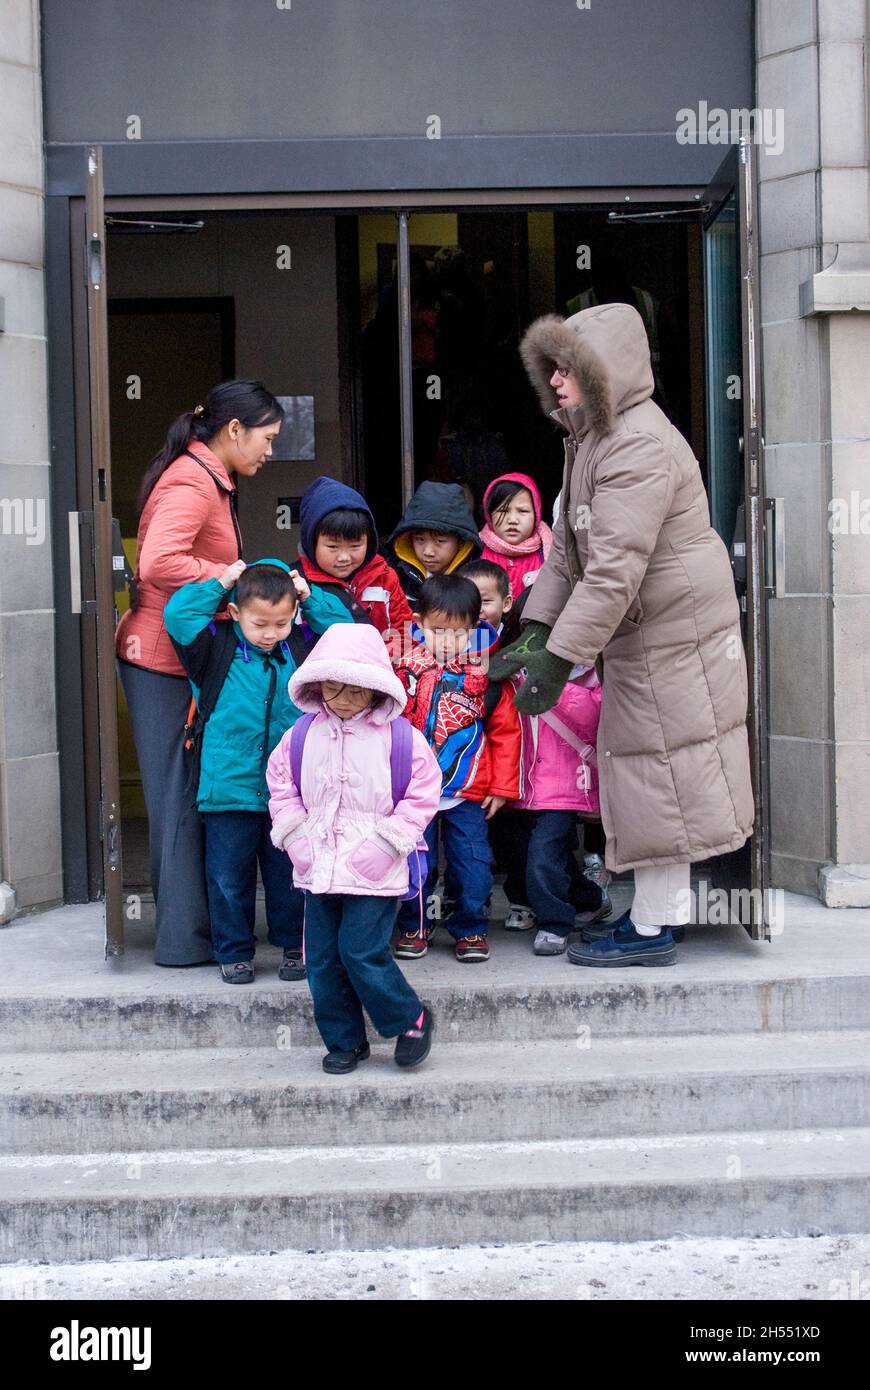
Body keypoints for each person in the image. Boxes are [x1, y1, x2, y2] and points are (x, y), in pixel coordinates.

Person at [491, 303, 755, 966]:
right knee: (652, 767)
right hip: (644, 629)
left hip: (673, 632)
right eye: (549, 368)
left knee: (657, 770)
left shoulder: (634, 442)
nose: (554, 381)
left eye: (568, 369)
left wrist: (558, 659)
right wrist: (534, 628)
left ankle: (653, 928)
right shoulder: (589, 438)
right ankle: (653, 916)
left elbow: (612, 573)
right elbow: (567, 557)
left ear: (605, 372)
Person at [115, 380, 284, 966]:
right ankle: (183, 942)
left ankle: (193, 932)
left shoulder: (209, 475)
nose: (270, 451)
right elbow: (158, 562)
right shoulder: (192, 479)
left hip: (170, 653)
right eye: (267, 438)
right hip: (161, 657)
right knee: (177, 798)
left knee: (183, 795)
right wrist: (231, 575)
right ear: (233, 430)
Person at [164, 557, 353, 984]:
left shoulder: (302, 647)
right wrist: (221, 582)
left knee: (291, 874)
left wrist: (308, 594)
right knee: (228, 875)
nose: (271, 634)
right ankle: (233, 950)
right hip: (227, 786)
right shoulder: (215, 645)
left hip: (292, 790)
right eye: (260, 624)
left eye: (282, 623)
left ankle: (294, 945)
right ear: (234, 614)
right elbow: (178, 614)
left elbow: (345, 629)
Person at [266, 624, 441, 1075]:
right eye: (333, 686)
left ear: (377, 687)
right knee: (321, 959)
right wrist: (295, 837)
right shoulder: (301, 735)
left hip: (374, 867)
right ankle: (344, 1039)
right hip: (318, 863)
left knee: (360, 951)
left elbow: (422, 793)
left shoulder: (400, 738)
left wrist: (387, 844)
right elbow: (281, 786)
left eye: (355, 688)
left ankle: (411, 1018)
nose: (343, 697)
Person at [463, 562, 610, 950]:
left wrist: (554, 684)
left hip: (561, 787)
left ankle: (556, 924)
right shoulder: (512, 670)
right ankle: (590, 899)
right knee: (536, 857)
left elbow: (591, 720)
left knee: (545, 857)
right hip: (520, 784)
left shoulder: (589, 674)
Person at [392, 574, 521, 963]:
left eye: (458, 632)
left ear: (475, 628)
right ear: (418, 623)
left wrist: (501, 787)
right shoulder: (401, 667)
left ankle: (471, 929)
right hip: (412, 790)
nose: (447, 641)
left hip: (467, 789)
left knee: (474, 866)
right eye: (437, 631)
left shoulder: (488, 673)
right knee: (415, 865)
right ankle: (414, 925)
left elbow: (506, 731)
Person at [296, 476, 412, 637]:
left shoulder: (384, 578)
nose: (344, 557)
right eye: (333, 547)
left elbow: (402, 635)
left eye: (355, 546)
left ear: (369, 542)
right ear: (311, 542)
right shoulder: (297, 583)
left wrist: (388, 661)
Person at [386, 480, 481, 610]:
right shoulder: (397, 577)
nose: (428, 552)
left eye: (440, 541)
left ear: (461, 542)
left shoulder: (476, 578)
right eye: (420, 540)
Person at [478, 471, 553, 602]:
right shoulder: (477, 551)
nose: (513, 520)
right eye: (503, 510)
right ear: (489, 515)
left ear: (537, 515)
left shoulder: (551, 554)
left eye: (523, 511)